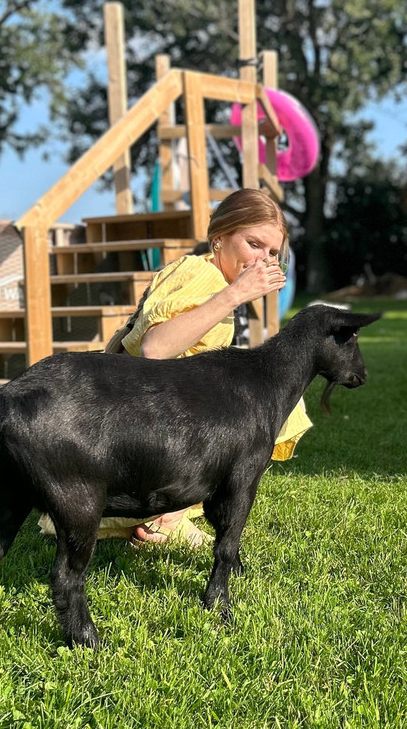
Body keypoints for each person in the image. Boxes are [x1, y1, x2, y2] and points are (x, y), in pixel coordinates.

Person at [37, 188, 311, 547]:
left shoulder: (207, 274)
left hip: (155, 405)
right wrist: (235, 294)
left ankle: (165, 513)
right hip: (148, 413)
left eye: (272, 252)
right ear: (220, 238)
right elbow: (155, 348)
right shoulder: (203, 276)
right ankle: (167, 518)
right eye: (253, 244)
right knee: (269, 404)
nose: (263, 259)